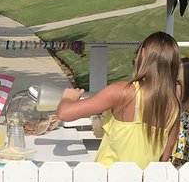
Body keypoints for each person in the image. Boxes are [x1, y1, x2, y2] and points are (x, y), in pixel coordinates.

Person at [57, 31, 182, 167]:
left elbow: (65, 113)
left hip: (107, 181)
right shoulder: (174, 105)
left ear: (143, 53)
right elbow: (165, 156)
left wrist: (68, 98)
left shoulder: (124, 92)